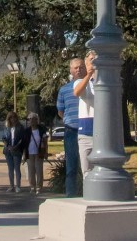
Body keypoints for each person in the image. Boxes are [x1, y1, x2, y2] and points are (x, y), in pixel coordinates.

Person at [56, 56, 85, 196]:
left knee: (87, 165)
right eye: (76, 67)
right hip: (71, 130)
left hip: (87, 130)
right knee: (71, 166)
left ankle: (89, 193)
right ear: (71, 70)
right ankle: (71, 194)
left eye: (81, 67)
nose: (79, 70)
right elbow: (60, 111)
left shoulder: (91, 86)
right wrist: (69, 120)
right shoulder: (64, 90)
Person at [73, 50, 97, 178]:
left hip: (102, 131)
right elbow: (77, 92)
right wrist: (88, 75)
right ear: (86, 63)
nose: (94, 62)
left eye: (96, 59)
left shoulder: (104, 82)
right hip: (86, 131)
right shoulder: (80, 81)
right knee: (87, 171)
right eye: (91, 59)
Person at [23, 112, 48, 193]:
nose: (31, 121)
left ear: (37, 120)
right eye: (29, 119)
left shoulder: (41, 130)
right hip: (29, 153)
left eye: (33, 119)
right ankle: (32, 187)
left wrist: (46, 152)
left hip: (39, 153)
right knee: (31, 171)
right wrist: (24, 154)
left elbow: (45, 142)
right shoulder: (26, 131)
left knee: (39, 170)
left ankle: (39, 187)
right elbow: (24, 144)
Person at [2, 111, 25, 192]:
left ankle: (18, 186)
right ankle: (11, 186)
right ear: (9, 119)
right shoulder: (6, 128)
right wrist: (8, 146)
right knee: (10, 169)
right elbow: (3, 138)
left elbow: (22, 139)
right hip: (8, 151)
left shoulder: (20, 127)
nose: (13, 119)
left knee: (17, 168)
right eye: (11, 117)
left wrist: (15, 147)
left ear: (16, 118)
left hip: (17, 150)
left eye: (14, 117)